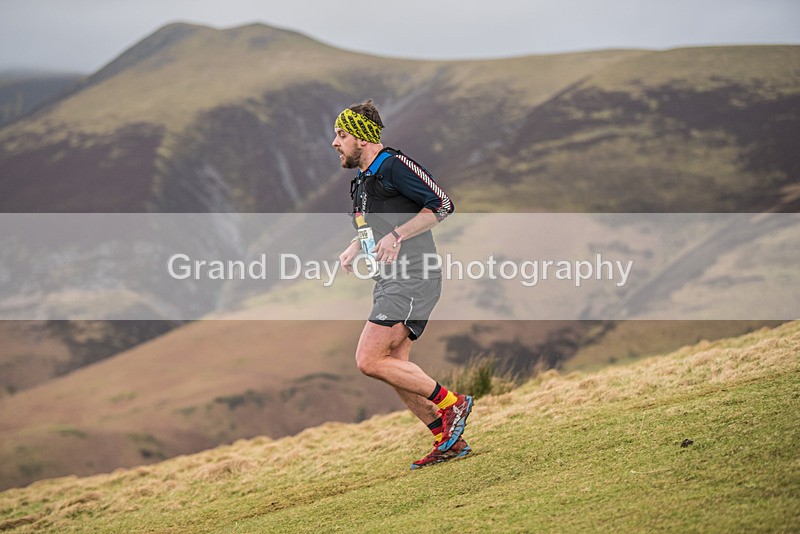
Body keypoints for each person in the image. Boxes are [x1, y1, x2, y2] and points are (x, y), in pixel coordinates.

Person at [333, 99, 473, 469]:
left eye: (341, 134)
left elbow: (441, 204)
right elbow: (372, 227)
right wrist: (353, 247)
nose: (335, 143)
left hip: (414, 277)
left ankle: (452, 404)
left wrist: (397, 235)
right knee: (393, 365)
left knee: (368, 359)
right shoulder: (363, 180)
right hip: (389, 280)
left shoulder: (392, 165)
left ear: (362, 138)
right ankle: (448, 440)